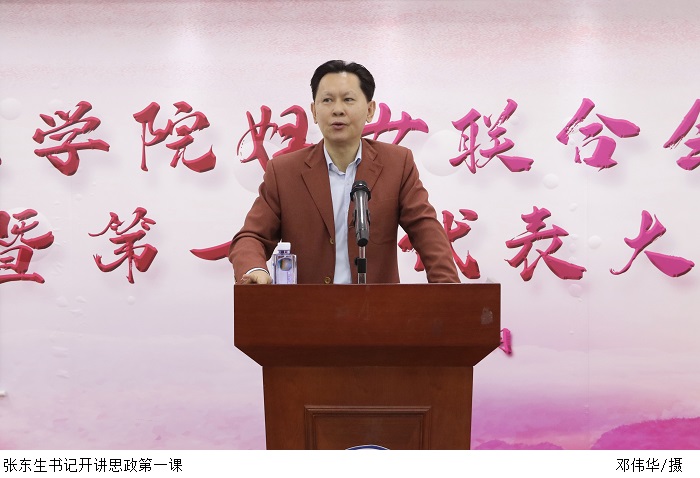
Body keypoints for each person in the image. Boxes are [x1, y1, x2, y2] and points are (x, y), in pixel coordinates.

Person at [229, 60, 459, 285]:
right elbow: (251, 237)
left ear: (370, 110)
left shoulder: (397, 164)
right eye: (327, 100)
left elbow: (425, 230)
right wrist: (255, 269)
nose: (337, 110)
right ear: (314, 112)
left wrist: (448, 289)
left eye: (348, 99)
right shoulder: (284, 172)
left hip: (377, 305)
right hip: (308, 307)